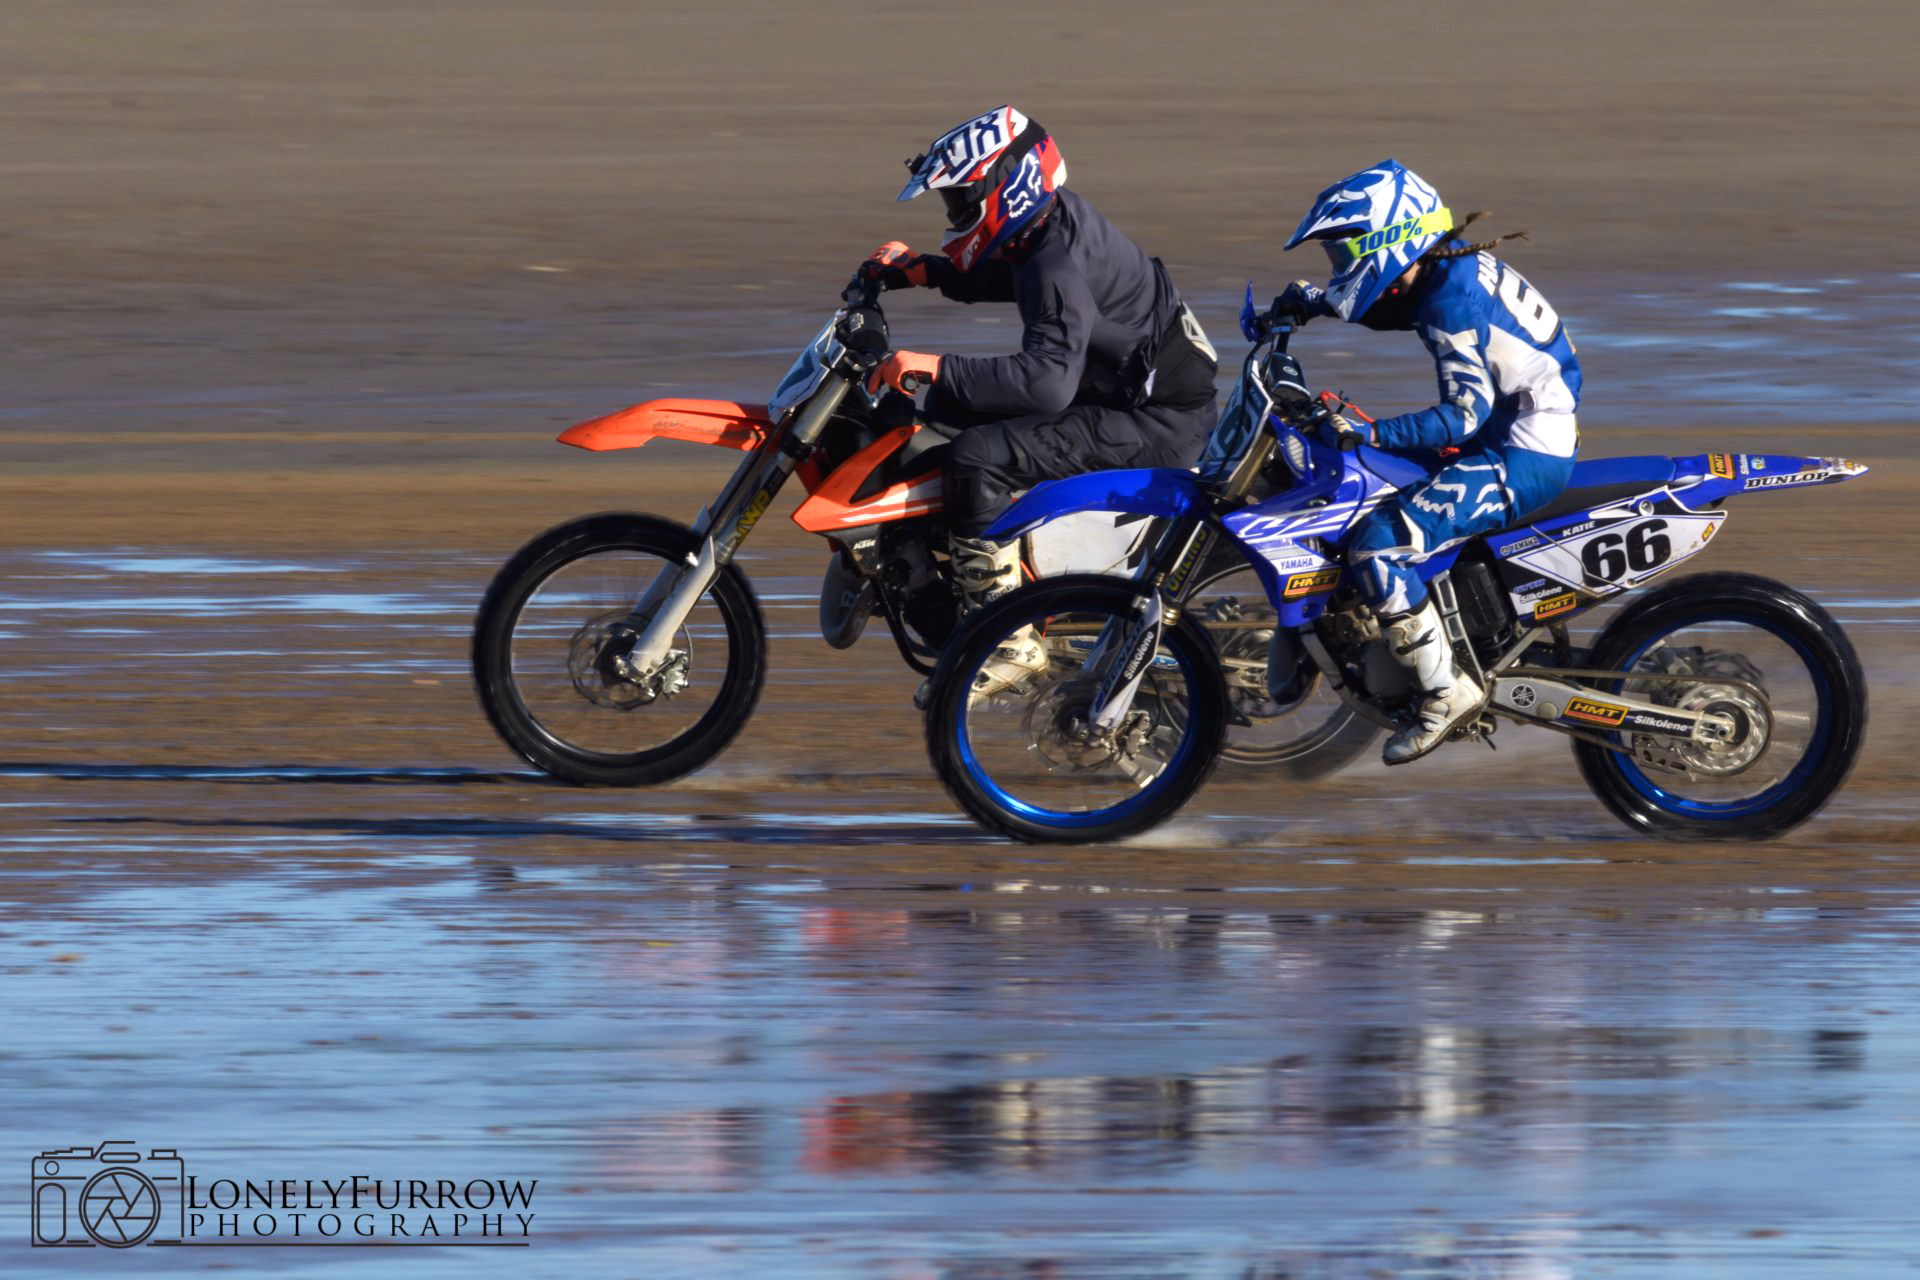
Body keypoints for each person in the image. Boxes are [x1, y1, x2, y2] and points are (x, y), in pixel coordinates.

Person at [861, 105, 1218, 691]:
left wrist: (934, 367)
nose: (953, 215)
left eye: (959, 201)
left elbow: (1047, 383)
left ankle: (1009, 639)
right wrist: (926, 272)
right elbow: (1014, 278)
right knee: (946, 418)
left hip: (1157, 420)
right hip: (1127, 391)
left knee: (977, 454)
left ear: (1009, 183)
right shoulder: (1048, 226)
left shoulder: (1055, 261)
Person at [1271, 159, 1582, 764]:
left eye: (1344, 255)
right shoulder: (1445, 269)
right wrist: (1313, 303)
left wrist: (1370, 430)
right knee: (1375, 485)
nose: (1339, 268)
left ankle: (1447, 691)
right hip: (1506, 430)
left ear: (1390, 238)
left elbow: (1463, 415)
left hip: (1520, 450)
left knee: (1377, 545)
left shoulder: (1450, 299)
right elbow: (1387, 305)